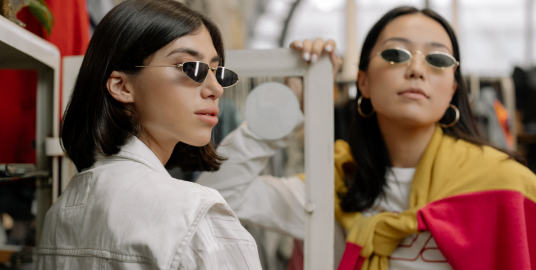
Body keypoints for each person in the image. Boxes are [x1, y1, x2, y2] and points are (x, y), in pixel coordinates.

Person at [197, 6, 536, 270]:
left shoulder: (505, 184)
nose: (417, 69)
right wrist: (293, 98)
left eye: (437, 59)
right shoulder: (332, 188)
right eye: (395, 54)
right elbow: (221, 195)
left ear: (453, 88)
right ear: (363, 82)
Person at [36, 1, 261, 269]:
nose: (216, 88)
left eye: (216, 71)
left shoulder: (59, 213)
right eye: (191, 68)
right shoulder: (193, 214)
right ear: (121, 85)